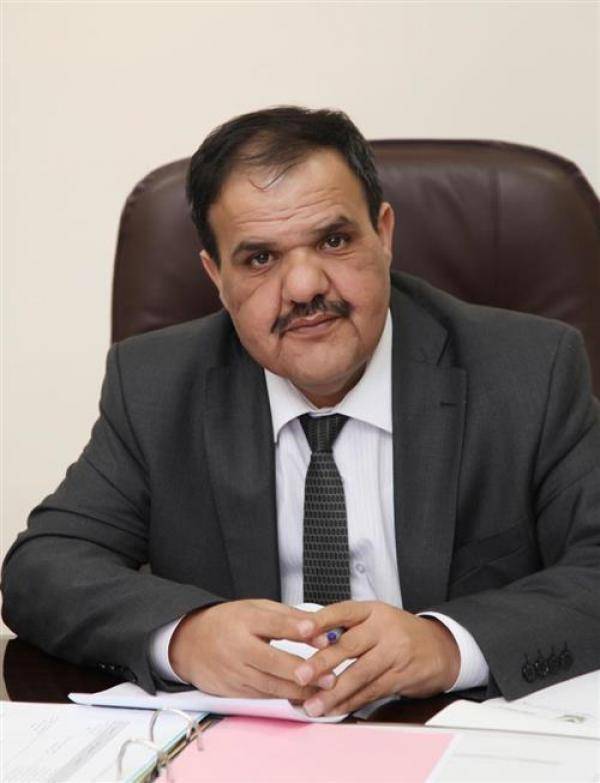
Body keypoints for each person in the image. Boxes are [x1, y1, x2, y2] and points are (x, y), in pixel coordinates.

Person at [2, 107, 599, 718]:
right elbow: (43, 569)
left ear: (383, 235)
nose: (305, 287)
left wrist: (449, 644)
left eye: (333, 241)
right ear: (215, 275)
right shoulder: (155, 387)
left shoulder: (530, 371)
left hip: (459, 734)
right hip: (251, 741)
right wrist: (184, 636)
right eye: (260, 258)